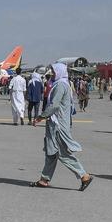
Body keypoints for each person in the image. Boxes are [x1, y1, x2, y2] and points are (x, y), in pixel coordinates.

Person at [30, 62, 94, 191]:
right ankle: (44, 179)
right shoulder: (64, 84)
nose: (52, 74)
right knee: (51, 152)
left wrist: (41, 117)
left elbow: (54, 105)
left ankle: (84, 176)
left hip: (57, 125)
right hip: (58, 123)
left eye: (54, 71)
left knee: (62, 154)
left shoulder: (60, 85)